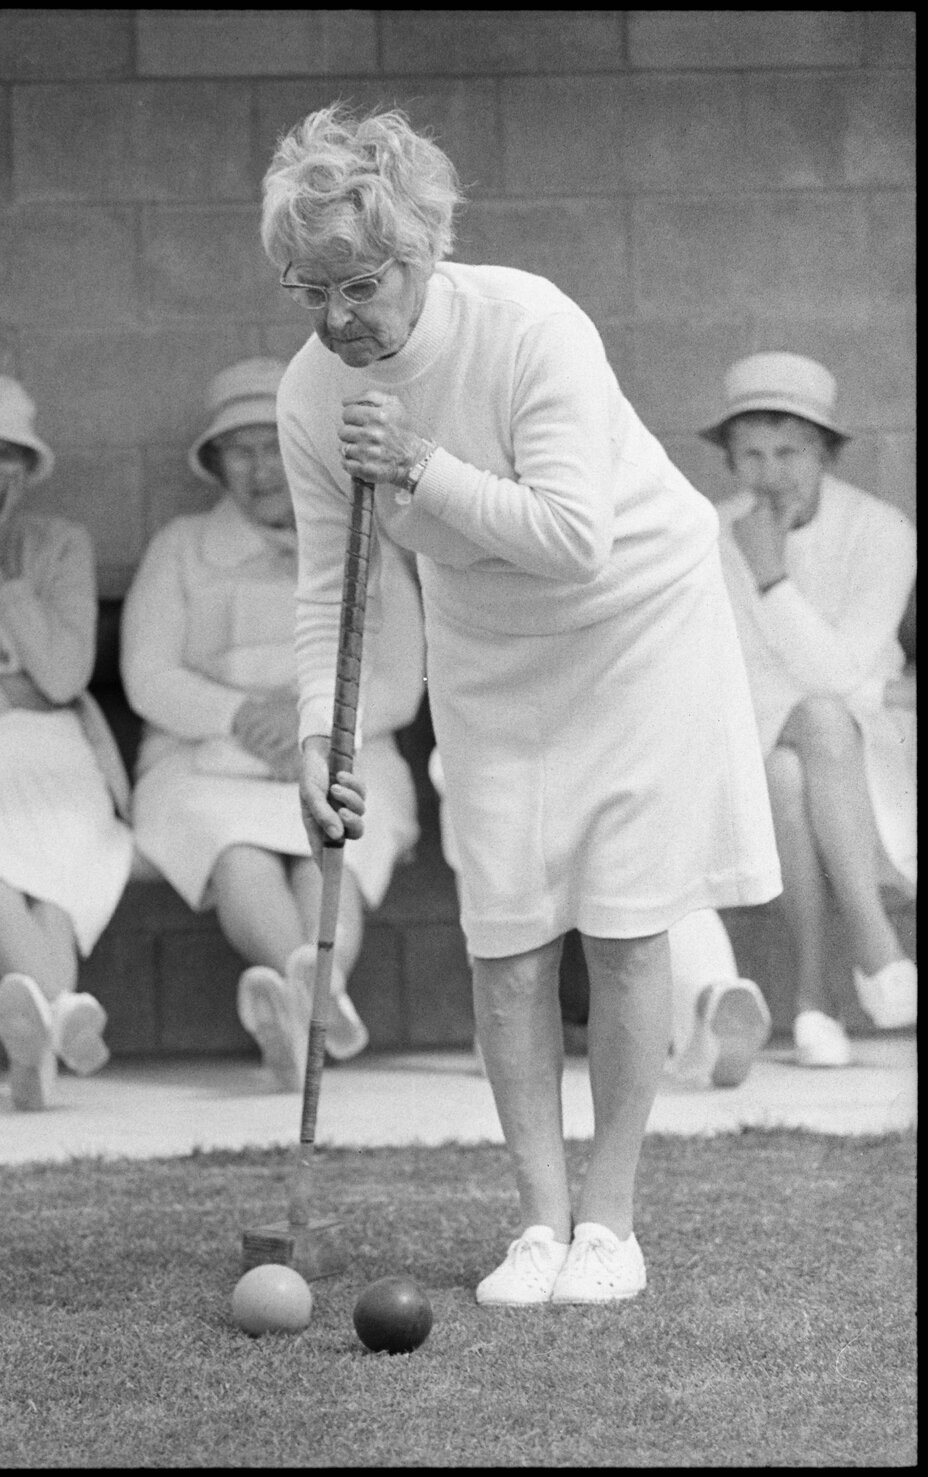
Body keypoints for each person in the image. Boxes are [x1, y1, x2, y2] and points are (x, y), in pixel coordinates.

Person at [260, 104, 782, 1306]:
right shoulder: (307, 394)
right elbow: (331, 588)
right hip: (490, 643)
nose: (335, 318)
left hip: (635, 618)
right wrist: (321, 734)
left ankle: (609, 1224)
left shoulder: (532, 325)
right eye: (309, 290)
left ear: (423, 250)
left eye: (358, 285)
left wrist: (418, 463)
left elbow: (572, 536)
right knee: (505, 932)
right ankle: (538, 1224)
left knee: (624, 920)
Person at [120, 358, 424, 1090]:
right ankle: (317, 1007)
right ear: (215, 462)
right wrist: (244, 716)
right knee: (236, 847)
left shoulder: (366, 540)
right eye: (240, 451)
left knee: (335, 842)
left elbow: (399, 682)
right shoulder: (180, 546)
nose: (260, 469)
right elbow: (148, 674)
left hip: (343, 750)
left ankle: (298, 1009)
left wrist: (316, 726)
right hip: (204, 755)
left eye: (274, 446)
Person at [702, 352, 917, 1067]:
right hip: (756, 732)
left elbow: (846, 672)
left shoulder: (883, 529)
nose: (771, 474)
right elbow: (736, 672)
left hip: (871, 743)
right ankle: (874, 947)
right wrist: (759, 568)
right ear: (731, 459)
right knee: (799, 746)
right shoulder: (713, 534)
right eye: (752, 454)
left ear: (825, 452)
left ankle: (814, 999)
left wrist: (771, 576)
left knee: (801, 756)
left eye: (790, 451)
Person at [0, 374, 132, 1110]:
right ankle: (59, 1015)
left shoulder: (56, 544)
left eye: (9, 456)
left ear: (28, 472)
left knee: (59, 860)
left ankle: (37, 1051)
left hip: (55, 750)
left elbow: (60, 677)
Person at [428, 749, 772, 1090]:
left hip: (508, 768)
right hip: (622, 758)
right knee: (654, 878)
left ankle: (507, 1023)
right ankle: (710, 988)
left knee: (486, 812)